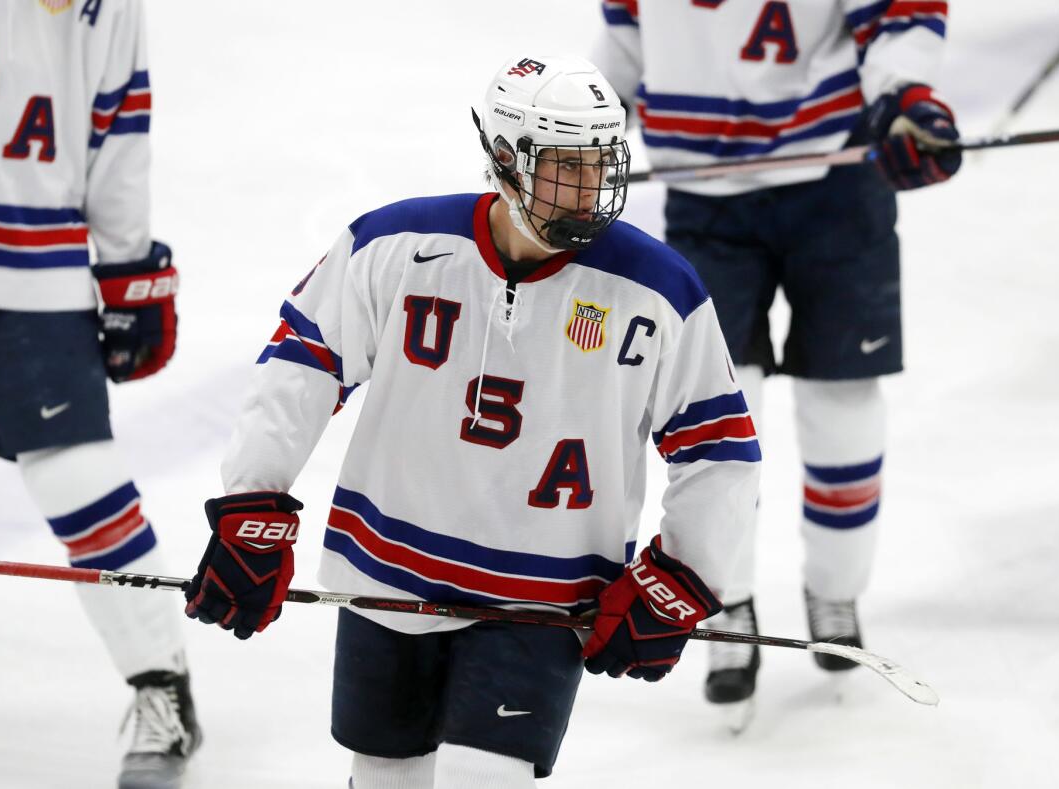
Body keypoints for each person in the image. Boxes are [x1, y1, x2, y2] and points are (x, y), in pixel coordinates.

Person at [185, 54, 761, 787]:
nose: (590, 191)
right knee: (385, 775)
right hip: (388, 576)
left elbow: (720, 448)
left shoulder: (657, 291)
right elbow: (303, 363)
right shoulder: (395, 247)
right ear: (503, 159)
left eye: (600, 163)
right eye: (565, 167)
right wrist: (252, 505)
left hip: (544, 596)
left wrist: (683, 575)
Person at [592, 0, 961, 716]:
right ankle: (723, 596)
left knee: (842, 404)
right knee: (719, 418)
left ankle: (837, 585)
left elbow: (897, 14)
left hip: (836, 178)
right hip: (705, 199)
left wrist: (904, 97)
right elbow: (626, 41)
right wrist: (584, 131)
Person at [0, 2, 199, 786]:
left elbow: (118, 119)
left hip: (32, 247)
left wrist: (126, 263)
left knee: (78, 473)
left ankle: (160, 680)